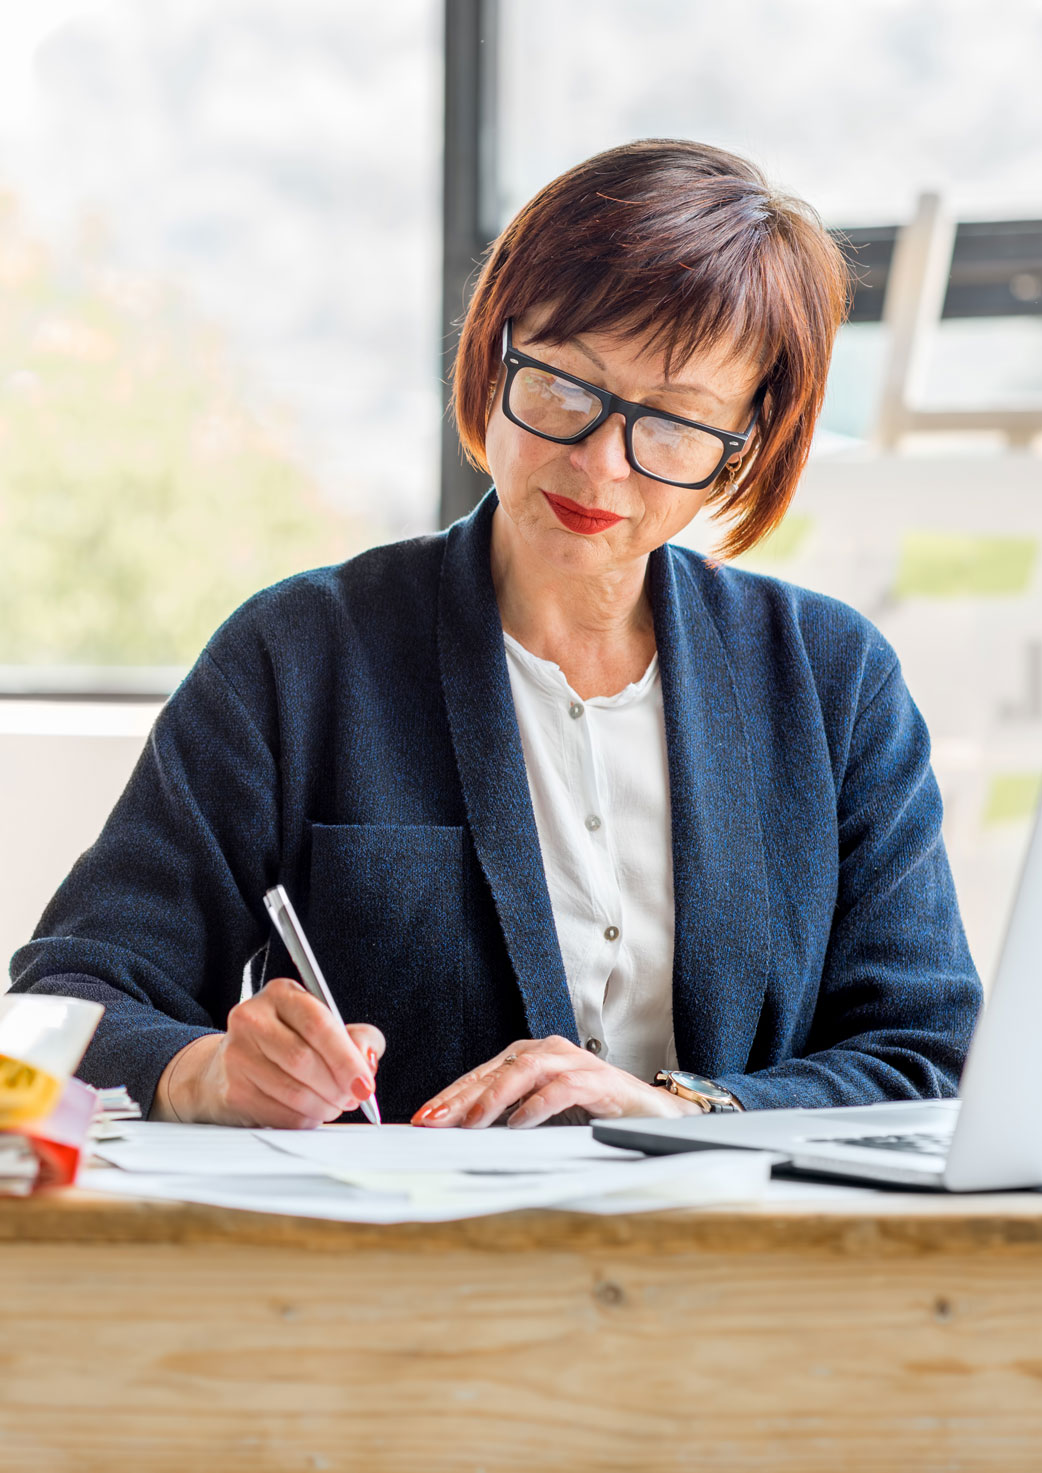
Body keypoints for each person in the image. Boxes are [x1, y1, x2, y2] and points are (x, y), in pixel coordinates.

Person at [9, 139, 982, 1130]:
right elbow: (66, 1000)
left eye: (675, 425)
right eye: (565, 387)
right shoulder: (300, 656)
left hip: (741, 1271)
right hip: (398, 1271)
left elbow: (925, 1050)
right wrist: (208, 1072)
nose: (601, 466)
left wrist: (681, 1107)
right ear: (496, 350)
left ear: (747, 446)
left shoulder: (830, 682)